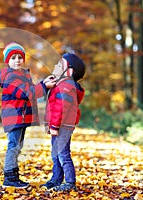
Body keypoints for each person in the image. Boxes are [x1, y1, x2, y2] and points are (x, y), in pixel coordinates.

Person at [0, 42, 56, 188]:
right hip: (14, 117)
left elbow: (30, 88)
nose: (17, 60)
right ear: (7, 61)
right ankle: (9, 178)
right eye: (13, 58)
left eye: (19, 57)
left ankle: (13, 175)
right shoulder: (10, 76)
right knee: (13, 146)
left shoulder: (21, 75)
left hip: (20, 117)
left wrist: (43, 83)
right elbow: (25, 93)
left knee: (17, 146)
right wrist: (43, 86)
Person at [40, 53, 86, 192]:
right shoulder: (60, 84)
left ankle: (70, 182)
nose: (55, 66)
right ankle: (56, 179)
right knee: (55, 153)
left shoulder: (66, 86)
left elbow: (61, 108)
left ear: (69, 71)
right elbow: (53, 107)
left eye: (60, 65)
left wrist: (54, 125)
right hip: (58, 125)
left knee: (63, 154)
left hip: (63, 125)